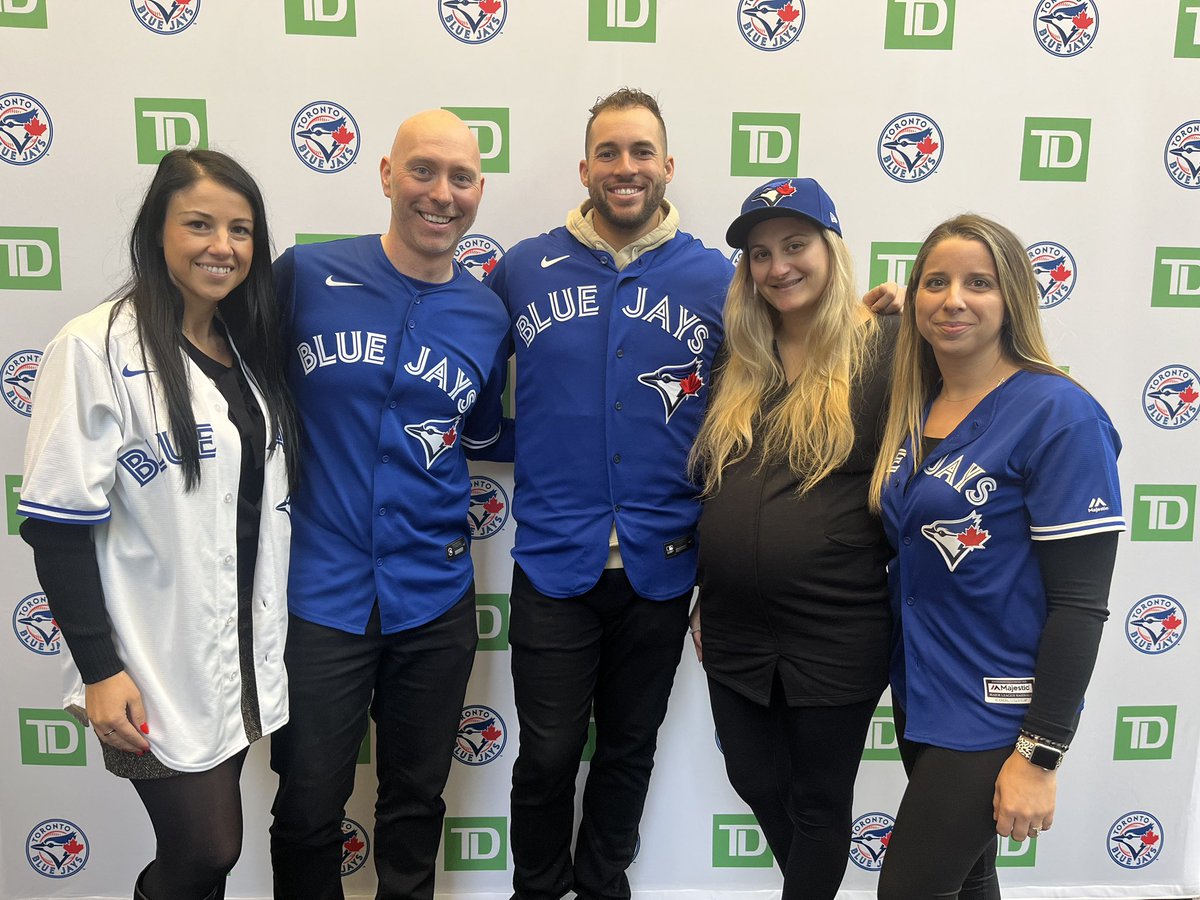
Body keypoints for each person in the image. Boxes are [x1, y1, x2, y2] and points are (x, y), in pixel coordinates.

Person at [18, 149, 298, 900]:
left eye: (241, 230)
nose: (223, 246)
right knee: (206, 850)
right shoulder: (94, 346)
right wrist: (102, 671)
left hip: (233, 656)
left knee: (209, 854)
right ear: (157, 231)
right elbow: (55, 525)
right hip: (148, 662)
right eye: (199, 224)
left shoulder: (244, 347)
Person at [481, 88, 734, 900]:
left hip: (662, 568)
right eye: (611, 153)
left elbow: (755, 410)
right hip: (555, 562)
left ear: (668, 167)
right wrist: (546, 446)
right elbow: (472, 395)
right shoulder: (522, 267)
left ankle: (602, 885)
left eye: (642, 152)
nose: (627, 168)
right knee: (549, 752)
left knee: (630, 746)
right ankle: (537, 888)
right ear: (586, 168)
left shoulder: (718, 279)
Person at [268, 108, 509, 900]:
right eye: (423, 170)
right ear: (385, 175)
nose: (442, 193)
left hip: (433, 597)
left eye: (462, 177)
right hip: (320, 592)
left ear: (479, 191)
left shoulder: (486, 314)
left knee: (414, 803)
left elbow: (475, 432)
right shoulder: (302, 275)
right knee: (308, 805)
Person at [867, 215, 1124, 898]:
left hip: (996, 710)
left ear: (1012, 297)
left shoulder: (1060, 414)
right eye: (935, 282)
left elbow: (1080, 605)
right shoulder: (915, 405)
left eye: (978, 283)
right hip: (924, 691)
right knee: (969, 878)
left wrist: (1039, 754)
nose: (953, 299)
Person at [687, 178, 895, 898]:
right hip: (735, 625)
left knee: (818, 801)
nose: (778, 267)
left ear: (832, 251)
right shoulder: (737, 361)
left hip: (839, 624)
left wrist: (913, 310)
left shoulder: (890, 348)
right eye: (761, 254)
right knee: (753, 775)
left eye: (796, 246)